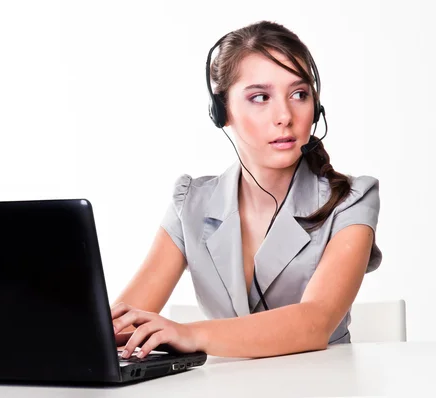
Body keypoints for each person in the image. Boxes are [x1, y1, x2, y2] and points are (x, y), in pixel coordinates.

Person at [111, 20, 382, 359]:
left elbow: (315, 321)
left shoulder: (351, 200)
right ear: (222, 112)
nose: (284, 115)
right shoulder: (191, 203)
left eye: (299, 94)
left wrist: (188, 333)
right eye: (260, 97)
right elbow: (125, 320)